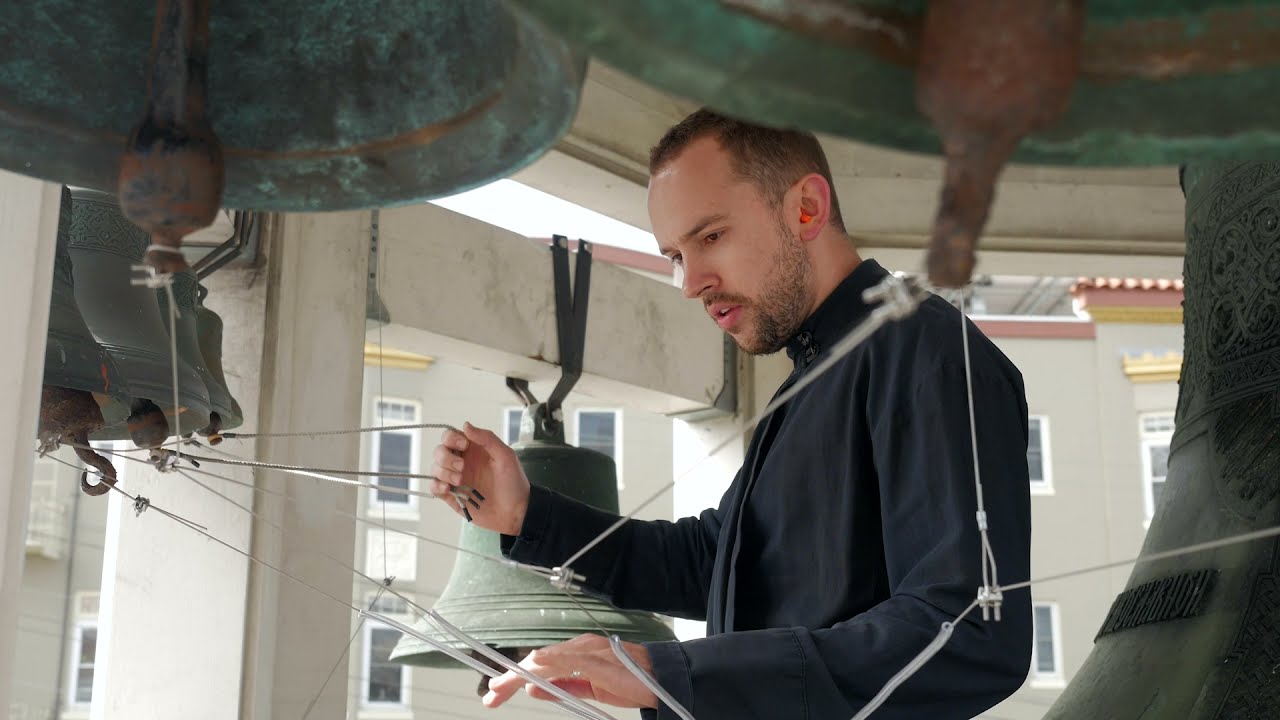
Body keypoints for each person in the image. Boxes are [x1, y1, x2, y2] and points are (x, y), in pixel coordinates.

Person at [430, 109, 1033, 719]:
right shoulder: (807, 379)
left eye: (711, 237)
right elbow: (717, 561)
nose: (690, 283)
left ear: (806, 209)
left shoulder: (929, 355)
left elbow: (971, 636)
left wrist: (676, 673)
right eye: (674, 255)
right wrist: (524, 514)